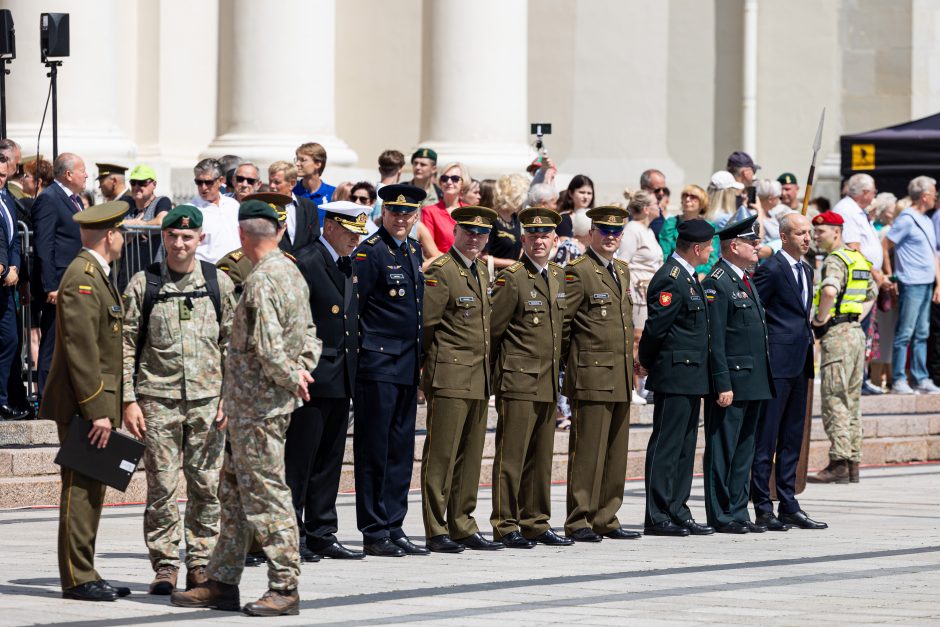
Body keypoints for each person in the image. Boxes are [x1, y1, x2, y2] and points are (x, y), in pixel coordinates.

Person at [170, 199, 320, 617]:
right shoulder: (291, 272)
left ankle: (284, 586)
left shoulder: (261, 281)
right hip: (254, 406)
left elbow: (269, 348)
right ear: (277, 232)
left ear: (241, 235)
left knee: (267, 496)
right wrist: (302, 371)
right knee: (232, 496)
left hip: (258, 409)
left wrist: (291, 375)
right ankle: (221, 581)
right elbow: (311, 334)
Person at [121, 205, 236, 594]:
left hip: (208, 401)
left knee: (206, 486)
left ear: (199, 237)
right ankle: (166, 565)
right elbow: (123, 345)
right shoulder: (145, 283)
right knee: (162, 488)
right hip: (158, 399)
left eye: (188, 236)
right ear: (164, 237)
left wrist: (229, 396)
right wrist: (128, 400)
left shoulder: (217, 283)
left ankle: (201, 563)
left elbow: (232, 344)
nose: (180, 243)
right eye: (173, 236)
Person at [38, 200, 130, 602]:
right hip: (84, 404)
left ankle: (86, 570)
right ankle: (77, 577)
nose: (124, 238)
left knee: (91, 489)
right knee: (79, 489)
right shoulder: (83, 277)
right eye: (121, 231)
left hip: (96, 403)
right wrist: (98, 411)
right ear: (110, 235)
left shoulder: (97, 274)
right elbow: (81, 349)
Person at [420, 206, 504, 553]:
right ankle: (436, 527)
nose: (475, 239)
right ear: (456, 232)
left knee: (470, 456)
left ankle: (463, 523)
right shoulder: (442, 271)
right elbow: (426, 326)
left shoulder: (482, 269)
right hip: (450, 374)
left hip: (478, 376)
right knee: (442, 454)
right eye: (469, 232)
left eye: (482, 234)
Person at [287, 201, 368, 563]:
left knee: (329, 461)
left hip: (341, 375)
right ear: (331, 226)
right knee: (300, 461)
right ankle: (293, 532)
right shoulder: (307, 261)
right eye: (350, 233)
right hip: (313, 375)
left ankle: (322, 531)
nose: (355, 240)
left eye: (358, 234)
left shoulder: (345, 262)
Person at [352, 183, 429, 557]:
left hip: (406, 364)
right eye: (394, 212)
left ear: (416, 216)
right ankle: (373, 528)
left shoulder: (413, 249)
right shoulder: (370, 253)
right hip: (378, 362)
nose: (401, 219)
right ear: (383, 213)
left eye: (408, 213)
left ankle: (394, 523)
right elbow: (358, 311)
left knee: (400, 448)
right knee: (375, 448)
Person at [489, 207, 570, 548]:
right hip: (518, 380)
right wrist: (495, 381)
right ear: (523, 240)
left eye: (545, 236)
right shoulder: (513, 279)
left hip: (548, 380)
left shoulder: (557, 276)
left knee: (541, 456)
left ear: (555, 240)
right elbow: (493, 332)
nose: (539, 241)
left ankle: (535, 520)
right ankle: (506, 523)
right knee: (512, 456)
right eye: (532, 236)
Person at [561, 206, 639, 542]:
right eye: (604, 231)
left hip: (619, 373)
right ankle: (580, 518)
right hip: (592, 374)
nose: (610, 238)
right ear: (592, 233)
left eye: (616, 232)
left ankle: (607, 515)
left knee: (615, 450)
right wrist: (572, 365)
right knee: (588, 450)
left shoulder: (621, 270)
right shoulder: (578, 271)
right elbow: (563, 325)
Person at [638, 219, 715, 537]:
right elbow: (656, 328)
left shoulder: (687, 276)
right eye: (709, 247)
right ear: (697, 248)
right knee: (667, 445)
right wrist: (644, 361)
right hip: (674, 373)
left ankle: (678, 509)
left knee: (685, 447)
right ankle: (657, 514)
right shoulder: (671, 278)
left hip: (691, 374)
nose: (711, 252)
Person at [751, 213, 828, 530]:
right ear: (783, 237)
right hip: (776, 362)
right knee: (766, 437)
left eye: (809, 232)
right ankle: (762, 506)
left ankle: (788, 502)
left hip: (801, 362)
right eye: (800, 233)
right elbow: (755, 309)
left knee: (792, 437)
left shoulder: (807, 270)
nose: (807, 238)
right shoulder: (771, 269)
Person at [701, 216, 774, 534]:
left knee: (745, 448)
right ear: (734, 246)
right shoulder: (717, 282)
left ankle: (738, 510)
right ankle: (721, 513)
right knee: (724, 448)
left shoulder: (743, 279)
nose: (758, 246)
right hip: (732, 379)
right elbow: (715, 338)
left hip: (754, 378)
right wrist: (722, 381)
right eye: (752, 241)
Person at [808, 211, 877, 484]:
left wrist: (820, 319)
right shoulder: (857, 258)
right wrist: (857, 315)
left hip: (837, 334)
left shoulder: (835, 260)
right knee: (852, 399)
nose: (816, 236)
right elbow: (871, 293)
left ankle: (838, 461)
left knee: (834, 398)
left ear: (837, 232)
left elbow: (829, 291)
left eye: (821, 231)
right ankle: (852, 462)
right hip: (856, 333)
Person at [32, 153, 89, 397]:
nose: (86, 175)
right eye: (82, 170)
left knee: (71, 341)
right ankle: (46, 397)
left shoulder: (74, 200)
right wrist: (51, 286)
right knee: (52, 343)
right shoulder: (49, 199)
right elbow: (44, 246)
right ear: (68, 174)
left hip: (75, 282)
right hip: (59, 284)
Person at [882, 176, 940, 395]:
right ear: (924, 196)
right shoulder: (907, 219)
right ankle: (898, 378)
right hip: (912, 281)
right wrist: (891, 275)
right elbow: (886, 245)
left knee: (922, 332)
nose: (935, 196)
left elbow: (934, 255)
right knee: (905, 332)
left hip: (925, 282)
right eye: (934, 192)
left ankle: (920, 377)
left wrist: (938, 284)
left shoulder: (926, 219)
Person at [618, 190, 663, 404]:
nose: (659, 206)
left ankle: (644, 386)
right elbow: (623, 262)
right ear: (646, 208)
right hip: (636, 291)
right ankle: (632, 387)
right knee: (635, 339)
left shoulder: (648, 231)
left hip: (649, 292)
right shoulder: (633, 229)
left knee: (644, 339)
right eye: (656, 203)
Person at [0, 155, 26, 420]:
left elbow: (14, 240)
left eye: (4, 176)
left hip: (6, 284)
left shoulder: (6, 198)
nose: (1, 181)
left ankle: (3, 399)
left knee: (10, 340)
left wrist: (14, 268)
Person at [660, 184, 719, 276]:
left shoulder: (710, 227)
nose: (687, 199)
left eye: (693, 197)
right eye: (685, 195)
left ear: (702, 203)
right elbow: (665, 252)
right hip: (675, 273)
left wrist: (702, 274)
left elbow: (712, 256)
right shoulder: (671, 223)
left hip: (700, 276)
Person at [192, 159, 240, 264]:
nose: (203, 187)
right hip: (208, 273)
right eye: (199, 182)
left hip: (236, 270)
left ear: (221, 181)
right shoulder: (190, 210)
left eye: (208, 182)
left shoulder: (233, 205)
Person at [267, 160, 320, 253]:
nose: (272, 186)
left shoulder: (308, 206)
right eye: (270, 181)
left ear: (292, 184)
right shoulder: (263, 206)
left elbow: (315, 239)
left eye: (276, 182)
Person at [422, 162, 470, 254]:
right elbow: (428, 250)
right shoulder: (429, 212)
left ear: (463, 183)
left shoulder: (470, 211)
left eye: (455, 179)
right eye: (444, 178)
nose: (449, 182)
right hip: (441, 266)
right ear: (440, 182)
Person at [483, 173, 527, 271]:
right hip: (494, 279)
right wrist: (512, 263)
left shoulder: (515, 219)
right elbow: (481, 256)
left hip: (513, 277)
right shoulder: (491, 219)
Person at [292, 142, 336, 221]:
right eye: (297, 159)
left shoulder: (333, 194)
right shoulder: (291, 191)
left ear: (318, 164)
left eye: (303, 160)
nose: (297, 163)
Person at [556, 175, 594, 242]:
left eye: (589, 193)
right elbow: (565, 246)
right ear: (571, 193)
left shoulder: (595, 217)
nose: (586, 196)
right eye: (582, 192)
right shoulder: (564, 218)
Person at [639, 169, 668, 237]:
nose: (662, 193)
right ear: (643, 188)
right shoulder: (637, 209)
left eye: (663, 189)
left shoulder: (657, 207)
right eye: (657, 190)